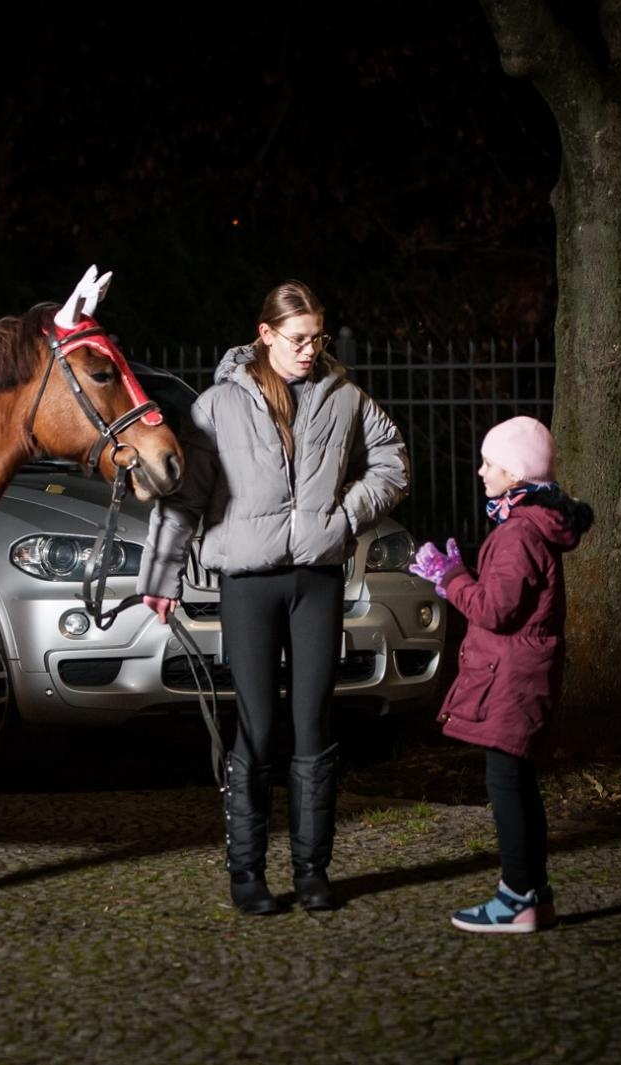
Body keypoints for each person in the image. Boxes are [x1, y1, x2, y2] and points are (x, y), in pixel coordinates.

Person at [137, 280, 408, 915]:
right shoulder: (216, 407)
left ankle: (313, 872)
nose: (311, 349)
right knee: (257, 726)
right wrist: (161, 579)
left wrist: (344, 516)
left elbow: (392, 462)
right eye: (298, 339)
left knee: (314, 722)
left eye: (318, 336)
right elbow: (184, 499)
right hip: (248, 584)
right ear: (265, 335)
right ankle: (248, 875)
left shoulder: (347, 398)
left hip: (316, 579)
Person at [410, 416, 593, 934]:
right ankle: (533, 894)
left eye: (490, 462)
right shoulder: (532, 524)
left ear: (514, 473)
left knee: (508, 785)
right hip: (519, 672)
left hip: (510, 676)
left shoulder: (518, 532)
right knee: (517, 783)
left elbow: (496, 610)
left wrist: (450, 578)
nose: (480, 471)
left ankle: (518, 897)